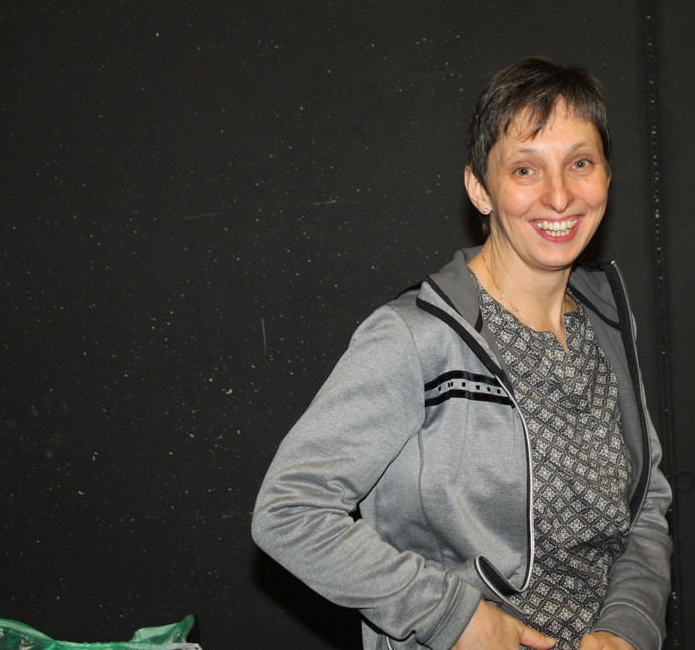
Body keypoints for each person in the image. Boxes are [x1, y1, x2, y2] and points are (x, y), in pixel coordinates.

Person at [252, 57, 672, 650]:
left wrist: (625, 629)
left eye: (580, 163)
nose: (559, 196)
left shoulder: (604, 324)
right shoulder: (413, 337)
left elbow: (645, 506)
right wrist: (454, 616)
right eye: (525, 169)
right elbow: (288, 511)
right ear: (480, 188)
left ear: (606, 174)